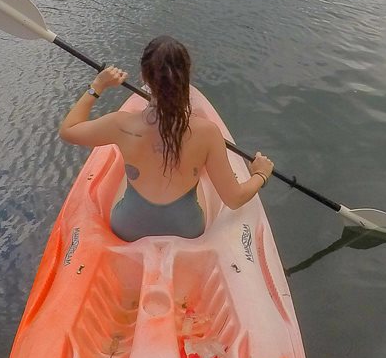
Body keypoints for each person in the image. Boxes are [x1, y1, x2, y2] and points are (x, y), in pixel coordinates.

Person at [58, 35, 275, 241]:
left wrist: (98, 86)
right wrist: (260, 175)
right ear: (186, 76)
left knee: (126, 172)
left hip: (128, 226)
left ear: (144, 77)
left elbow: (68, 130)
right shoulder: (208, 133)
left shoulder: (120, 124)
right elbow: (234, 199)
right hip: (186, 229)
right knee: (201, 179)